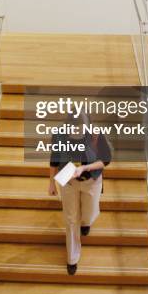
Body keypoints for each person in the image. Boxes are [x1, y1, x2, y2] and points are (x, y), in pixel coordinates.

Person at [48, 114, 112, 275]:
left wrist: (84, 168)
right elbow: (54, 160)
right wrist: (51, 183)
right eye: (73, 130)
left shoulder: (96, 134)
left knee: (89, 214)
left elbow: (106, 160)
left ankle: (86, 223)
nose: (76, 133)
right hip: (69, 183)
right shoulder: (59, 135)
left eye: (80, 130)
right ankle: (72, 258)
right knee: (71, 219)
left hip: (91, 181)